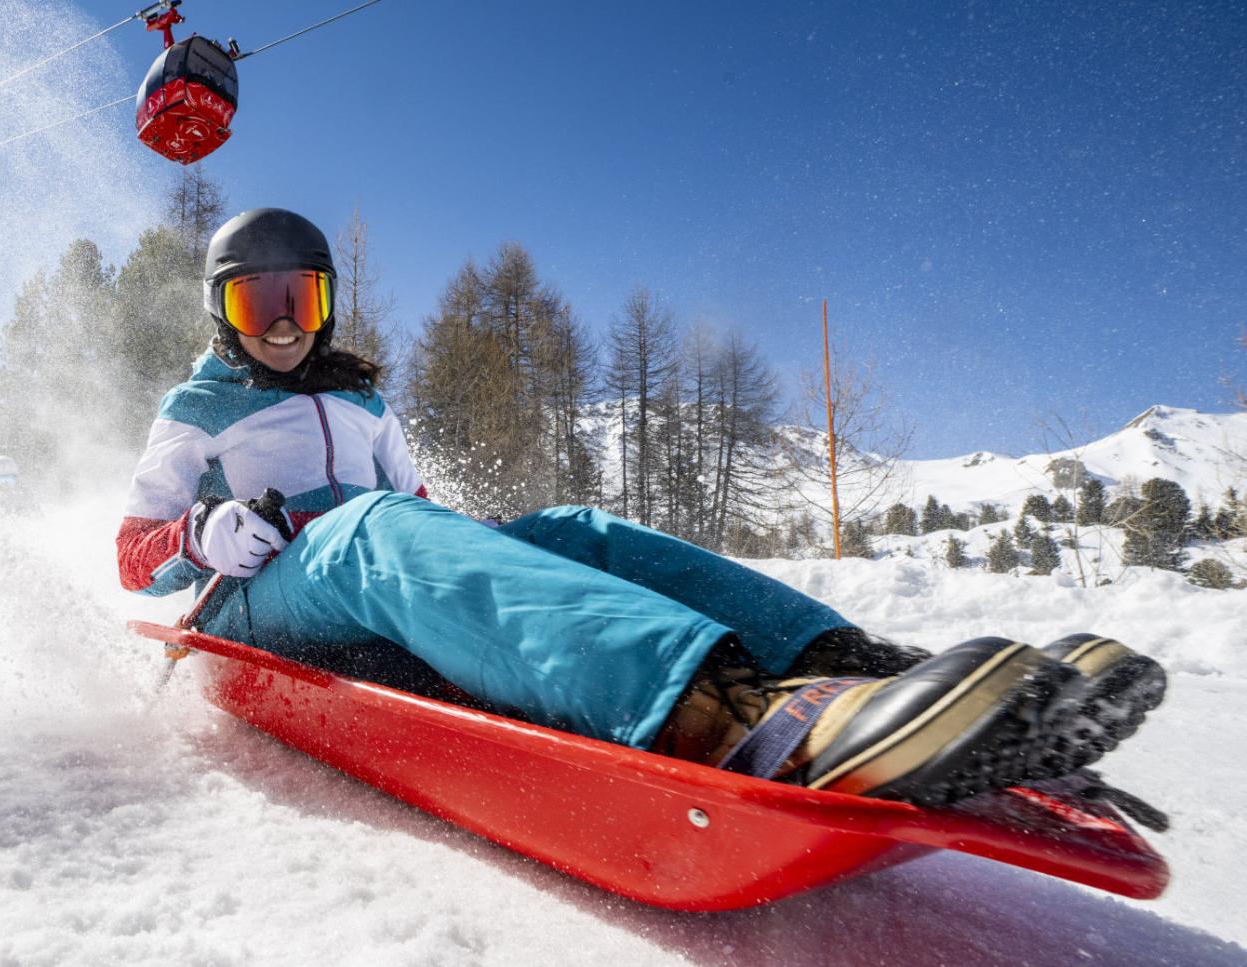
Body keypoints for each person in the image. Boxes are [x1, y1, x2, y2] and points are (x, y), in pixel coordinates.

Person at [116, 208, 1165, 808]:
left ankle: (864, 673)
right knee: (369, 530)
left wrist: (514, 566)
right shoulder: (198, 407)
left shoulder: (364, 398)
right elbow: (133, 556)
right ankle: (735, 719)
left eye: (304, 299)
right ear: (224, 310)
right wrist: (197, 532)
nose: (288, 325)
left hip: (367, 576)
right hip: (258, 605)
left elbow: (419, 519)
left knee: (572, 527)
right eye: (262, 304)